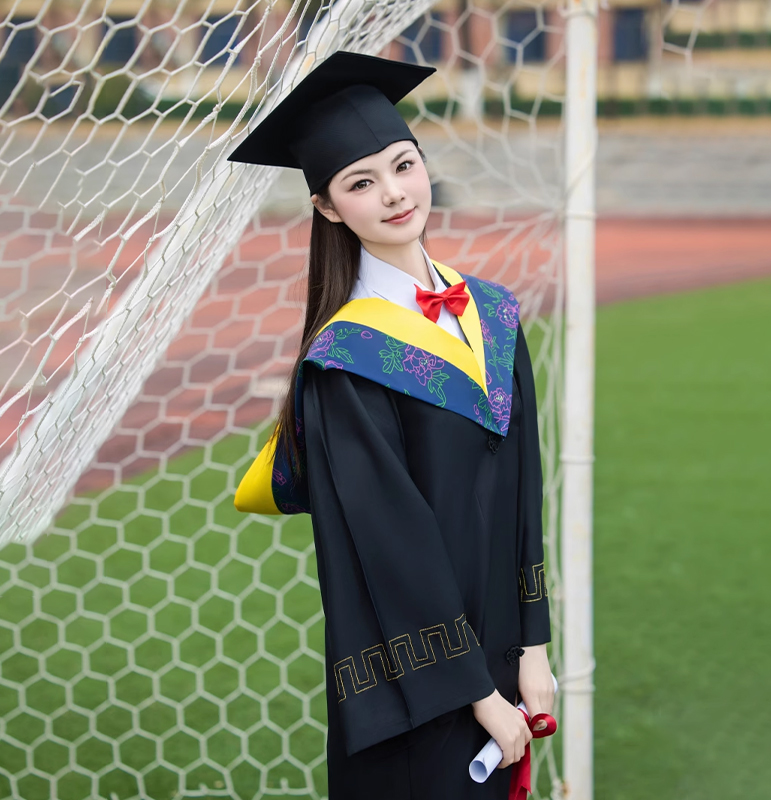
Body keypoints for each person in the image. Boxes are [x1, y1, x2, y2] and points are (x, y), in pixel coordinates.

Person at [229, 50, 554, 799]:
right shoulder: (346, 359)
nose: (394, 193)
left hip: (504, 656)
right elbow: (387, 544)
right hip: (417, 686)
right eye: (361, 183)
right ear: (327, 208)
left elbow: (524, 490)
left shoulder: (493, 313)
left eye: (403, 166)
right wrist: (476, 692)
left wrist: (532, 648)